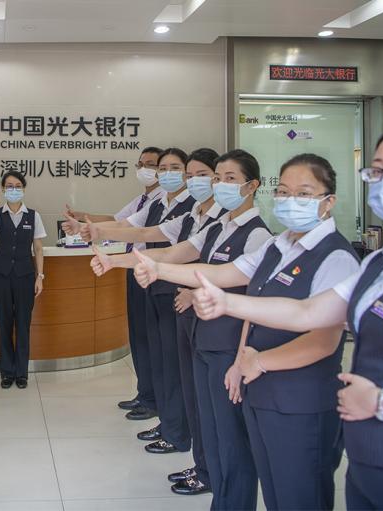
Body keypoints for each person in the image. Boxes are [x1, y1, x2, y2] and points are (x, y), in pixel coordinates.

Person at [188, 123, 383, 510]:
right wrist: (226, 303)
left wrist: (381, 402)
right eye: (379, 171)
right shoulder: (381, 262)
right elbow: (307, 311)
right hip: (370, 462)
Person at [133, 153, 360, 509]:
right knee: (270, 487)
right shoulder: (278, 246)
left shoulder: (336, 258)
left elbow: (323, 340)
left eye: (303, 193)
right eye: (283, 191)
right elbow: (225, 276)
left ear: (328, 201)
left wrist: (259, 360)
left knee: (298, 495)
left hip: (300, 400)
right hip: (260, 387)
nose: (290, 201)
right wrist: (157, 269)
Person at [92, 149, 271, 509]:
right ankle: (212, 484)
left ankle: (232, 500)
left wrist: (242, 355)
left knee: (229, 434)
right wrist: (115, 260)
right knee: (208, 421)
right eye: (217, 178)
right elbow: (171, 254)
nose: (219, 185)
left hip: (228, 344)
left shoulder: (258, 236)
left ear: (252, 186)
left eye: (229, 179)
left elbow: (226, 280)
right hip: (204, 336)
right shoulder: (217, 227)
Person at [78, 147, 224, 495]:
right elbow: (150, 240)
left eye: (202, 175)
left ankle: (192, 450)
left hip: (206, 315)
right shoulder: (192, 216)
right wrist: (110, 252)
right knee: (170, 368)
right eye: (187, 174)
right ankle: (181, 439)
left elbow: (227, 272)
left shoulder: (227, 223)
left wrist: (192, 288)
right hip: (174, 296)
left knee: (195, 387)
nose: (190, 180)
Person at [62, 146, 163, 419]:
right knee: (138, 337)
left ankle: (154, 400)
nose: (145, 169)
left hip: (151, 271)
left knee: (151, 339)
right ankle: (145, 393)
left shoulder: (162, 201)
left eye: (152, 164)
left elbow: (137, 231)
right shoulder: (142, 200)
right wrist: (83, 219)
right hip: (133, 268)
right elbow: (117, 221)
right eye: (141, 164)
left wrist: (91, 229)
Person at [0, 170, 46, 388]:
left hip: (25, 276)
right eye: (9, 186)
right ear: (3, 189)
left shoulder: (33, 216)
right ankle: (7, 373)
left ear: (24, 189)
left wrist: (40, 276)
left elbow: (38, 248)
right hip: (1, 275)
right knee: (4, 323)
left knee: (22, 323)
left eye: (18, 186)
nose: (13, 189)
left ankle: (21, 373)